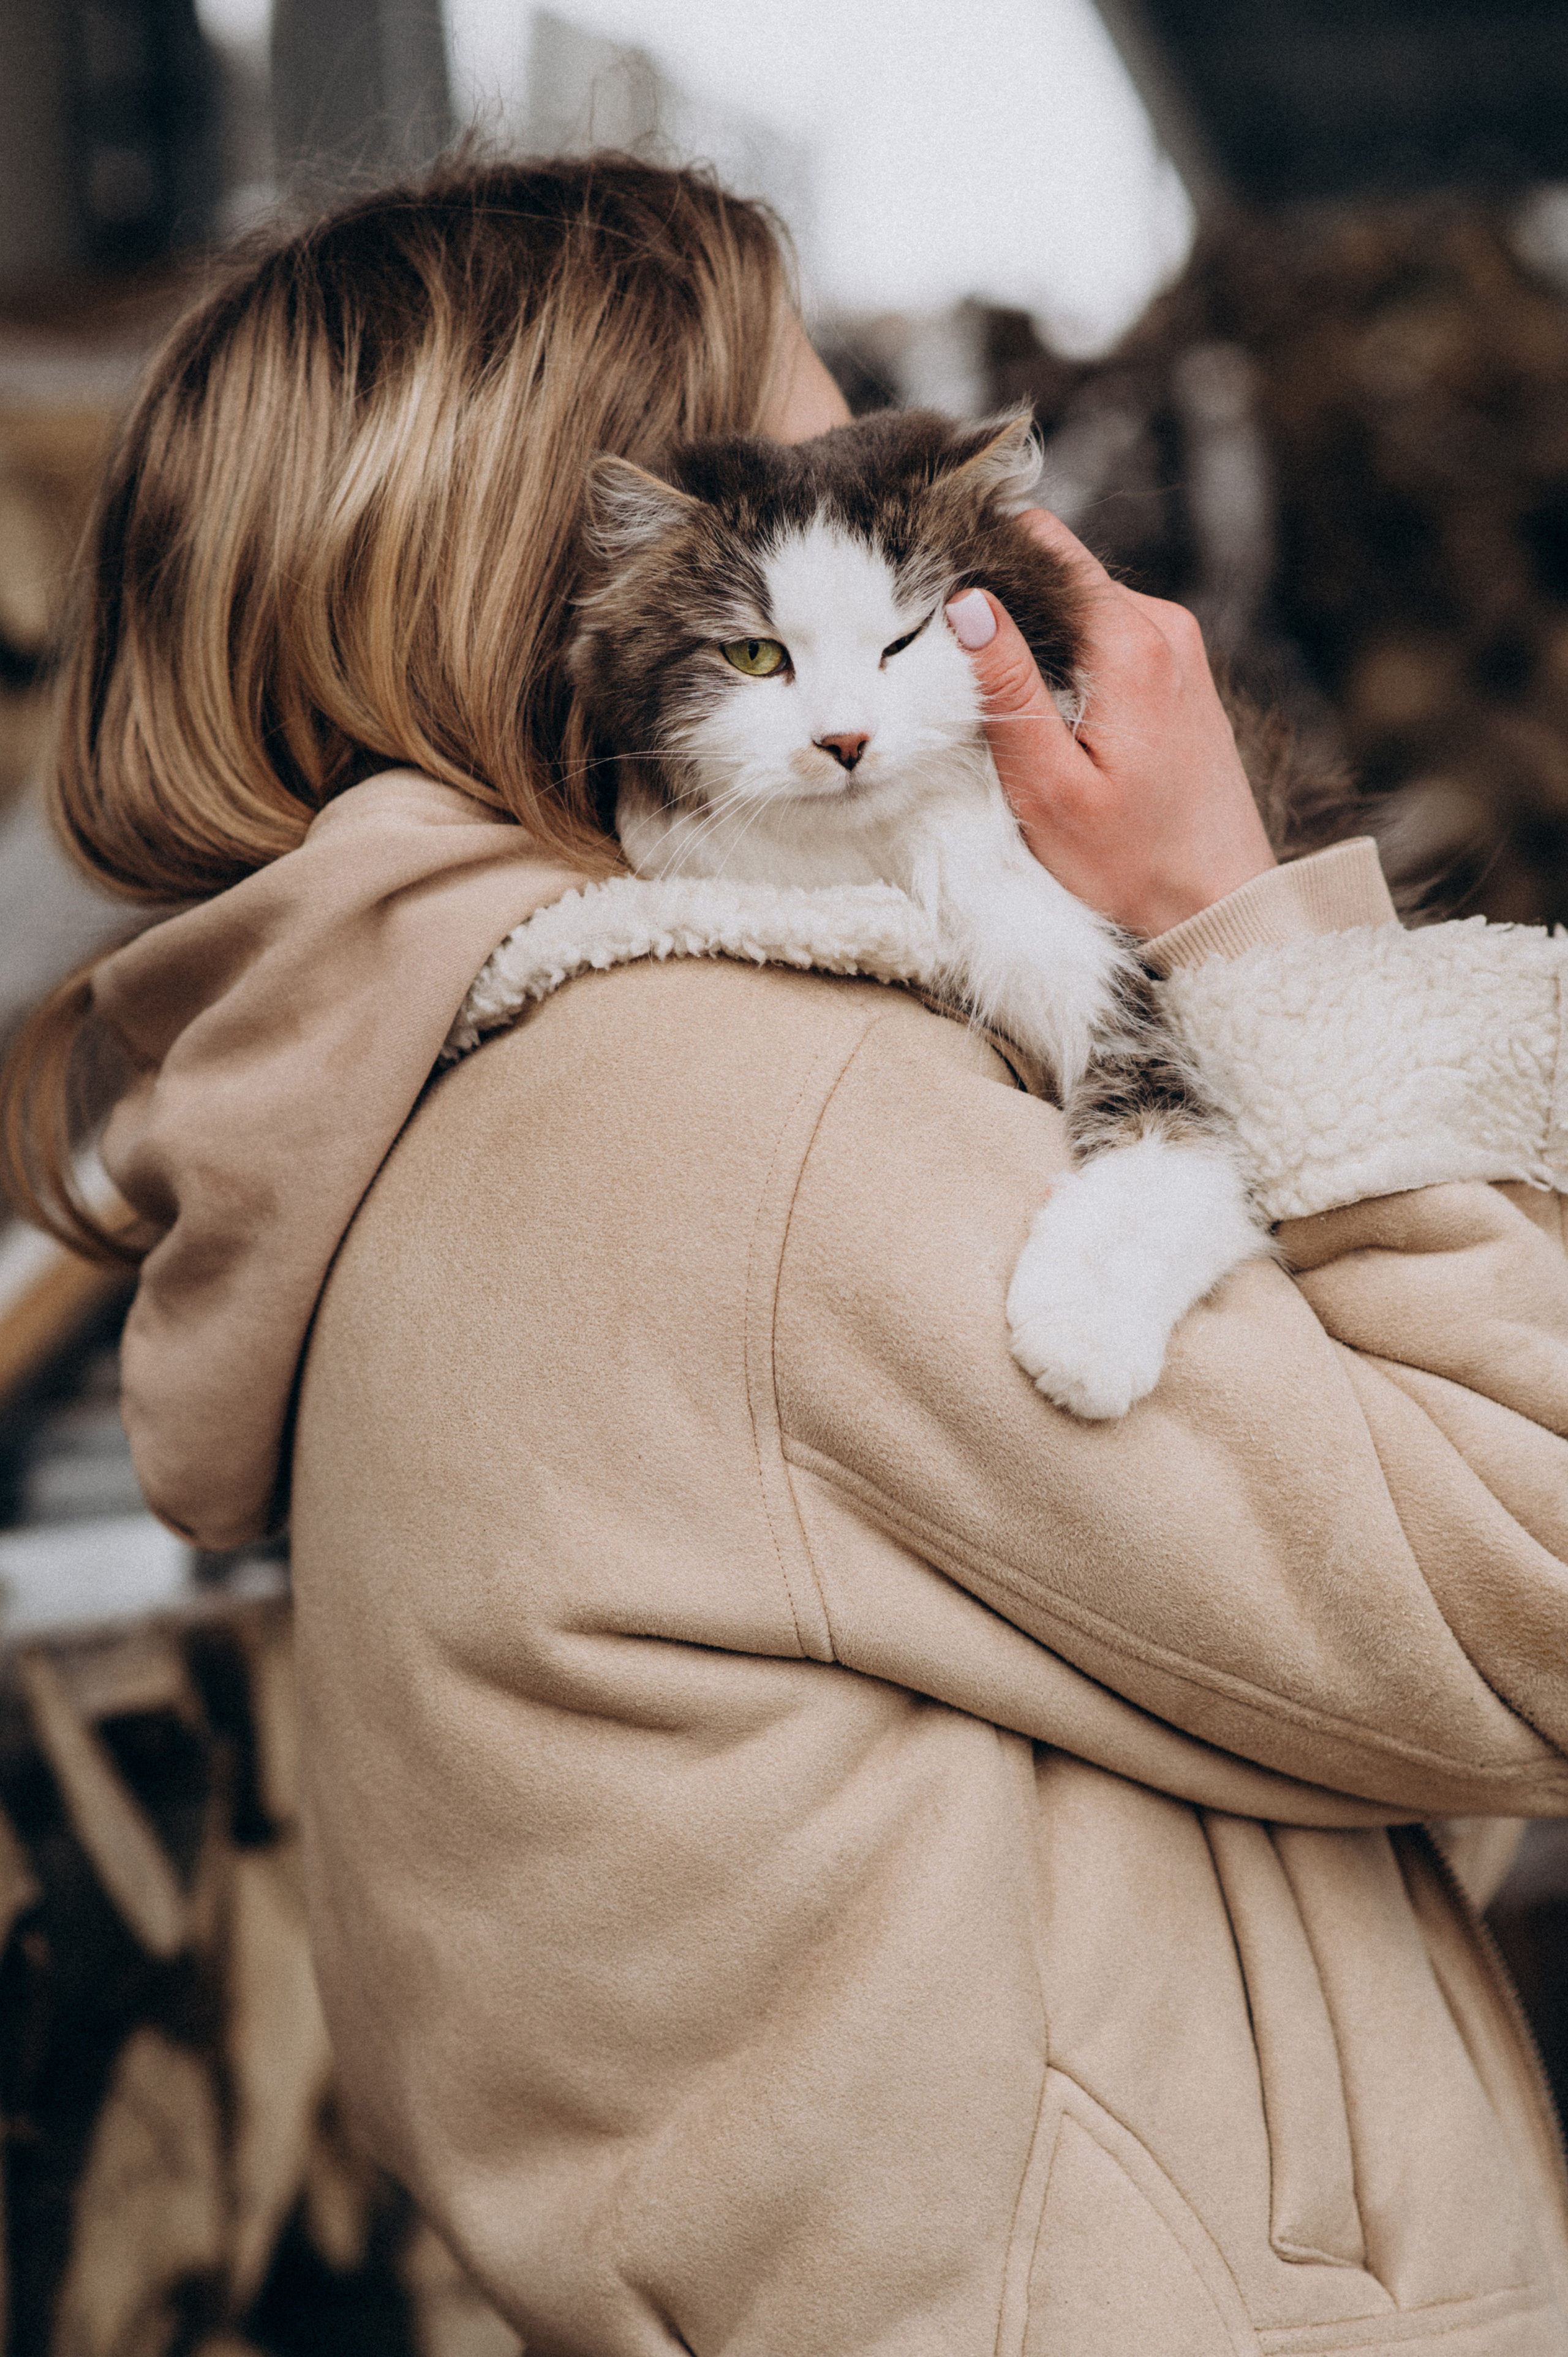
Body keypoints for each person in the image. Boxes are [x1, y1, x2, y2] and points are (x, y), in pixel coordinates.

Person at [6, 153, 1568, 2357]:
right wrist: (1241, 898)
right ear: (603, 583)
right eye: (815, 413)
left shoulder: (437, 1097)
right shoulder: (739, 1119)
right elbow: (1537, 1588)